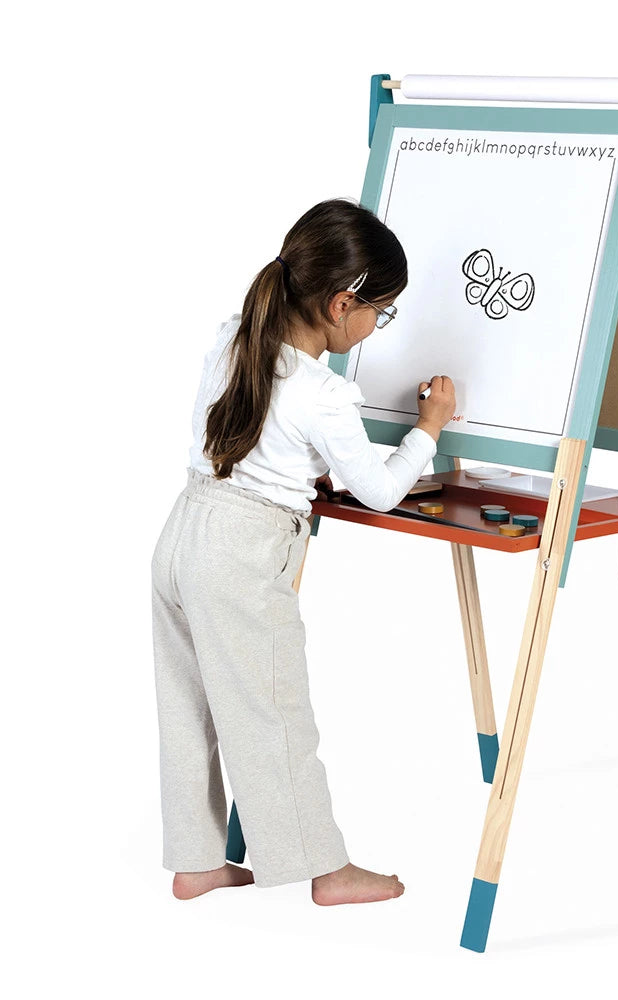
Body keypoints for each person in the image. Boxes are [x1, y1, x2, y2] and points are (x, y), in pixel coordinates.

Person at [151, 199, 456, 903]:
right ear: (341, 305)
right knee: (275, 712)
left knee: (186, 708)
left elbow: (257, 436)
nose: (378, 324)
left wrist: (300, 468)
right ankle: (325, 869)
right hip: (241, 554)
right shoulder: (324, 392)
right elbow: (379, 491)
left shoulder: (233, 338)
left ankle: (196, 861)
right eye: (381, 311)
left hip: (183, 533)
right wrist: (430, 427)